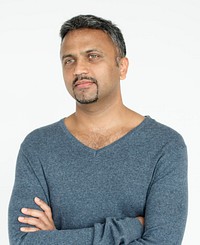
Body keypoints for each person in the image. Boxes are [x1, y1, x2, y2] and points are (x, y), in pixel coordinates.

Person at [8, 15, 188, 245]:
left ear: (122, 66)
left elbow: (162, 243)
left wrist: (56, 238)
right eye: (69, 60)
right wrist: (129, 228)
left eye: (92, 56)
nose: (79, 69)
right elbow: (23, 241)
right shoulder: (38, 146)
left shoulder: (165, 145)